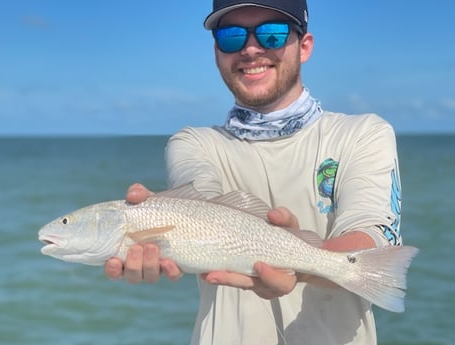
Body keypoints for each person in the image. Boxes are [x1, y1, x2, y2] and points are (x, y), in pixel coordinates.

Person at [105, 0, 403, 344]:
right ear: (216, 51)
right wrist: (153, 220)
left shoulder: (363, 133)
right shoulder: (194, 143)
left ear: (304, 47)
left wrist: (299, 261)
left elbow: (372, 239)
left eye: (271, 34)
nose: (250, 49)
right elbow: (203, 202)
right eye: (231, 36)